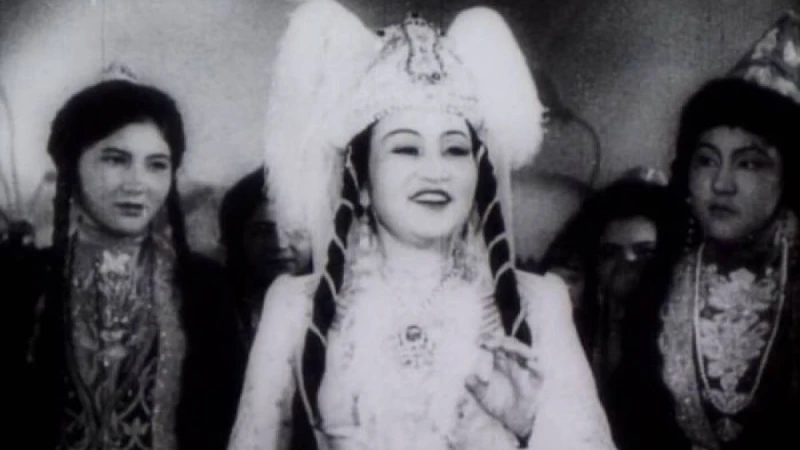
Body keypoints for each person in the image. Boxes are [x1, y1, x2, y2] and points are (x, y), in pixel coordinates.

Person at [228, 2, 615, 449]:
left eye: (455, 150)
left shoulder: (538, 303)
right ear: (362, 183)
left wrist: (525, 430)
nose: (436, 171)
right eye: (406, 149)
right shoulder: (296, 306)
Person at [9, 67, 243, 450]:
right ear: (71, 168)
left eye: (157, 165)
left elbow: (222, 417)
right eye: (116, 159)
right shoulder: (22, 280)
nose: (138, 183)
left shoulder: (203, 285)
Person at [615, 12, 800, 450]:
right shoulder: (657, 283)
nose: (721, 184)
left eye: (749, 163)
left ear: (788, 177)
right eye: (706, 160)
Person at [540, 169, 681, 401]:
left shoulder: (680, 326)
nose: (627, 264)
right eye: (611, 253)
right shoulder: (584, 316)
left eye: (644, 252)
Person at [219, 167, 311, 348]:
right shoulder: (215, 310)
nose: (280, 244)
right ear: (238, 237)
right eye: (263, 231)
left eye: (295, 229)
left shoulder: (343, 309)